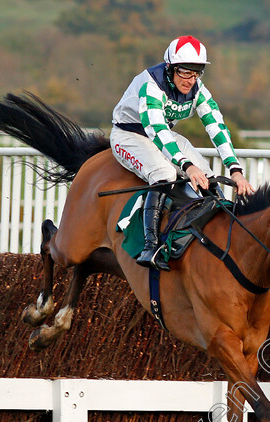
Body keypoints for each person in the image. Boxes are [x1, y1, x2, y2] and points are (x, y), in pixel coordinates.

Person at [110, 35, 253, 271]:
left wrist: (235, 170)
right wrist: (186, 165)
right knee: (165, 173)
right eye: (185, 72)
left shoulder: (198, 89)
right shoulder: (151, 85)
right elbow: (156, 130)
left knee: (206, 177)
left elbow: (217, 126)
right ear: (170, 68)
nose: (190, 80)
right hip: (129, 135)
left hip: (161, 134)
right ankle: (150, 246)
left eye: (196, 73)